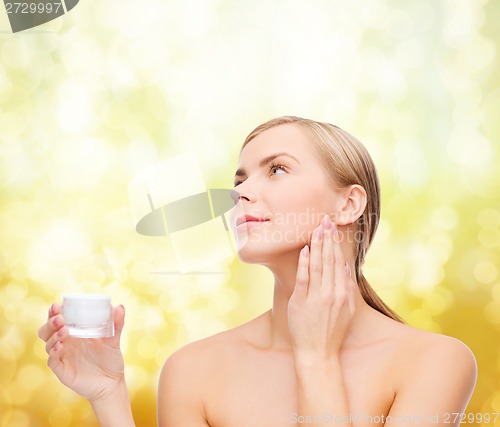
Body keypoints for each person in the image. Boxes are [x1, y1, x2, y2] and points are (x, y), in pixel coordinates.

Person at [38, 116, 477, 427]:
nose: (241, 193)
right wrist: (108, 393)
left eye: (277, 169)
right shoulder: (193, 370)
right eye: (241, 179)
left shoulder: (435, 363)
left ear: (349, 204)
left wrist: (316, 358)